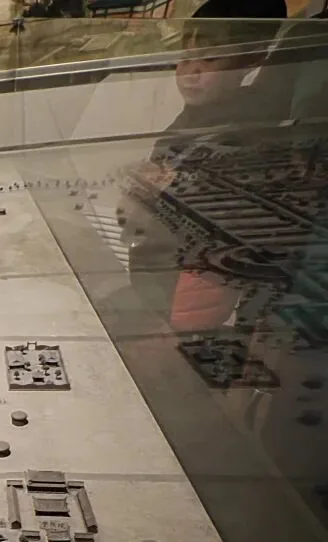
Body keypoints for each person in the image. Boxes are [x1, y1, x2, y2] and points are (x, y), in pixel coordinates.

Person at [121, 0, 290, 332]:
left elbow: (233, 212)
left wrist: (166, 186)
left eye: (210, 60)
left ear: (253, 60)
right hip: (160, 268)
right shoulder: (197, 116)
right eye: (185, 59)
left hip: (192, 283)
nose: (190, 73)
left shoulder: (248, 127)